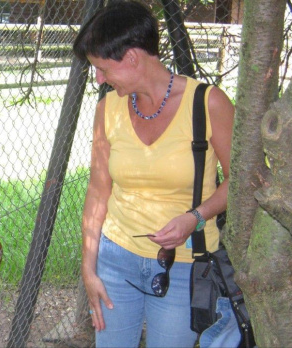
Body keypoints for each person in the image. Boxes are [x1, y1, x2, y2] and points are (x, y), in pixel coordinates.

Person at [73, 1, 236, 347]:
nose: (99, 79)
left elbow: (243, 181)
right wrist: (89, 269)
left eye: (102, 68)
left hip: (184, 267)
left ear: (132, 58)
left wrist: (197, 216)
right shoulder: (107, 109)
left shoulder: (208, 104)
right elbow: (98, 191)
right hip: (115, 261)